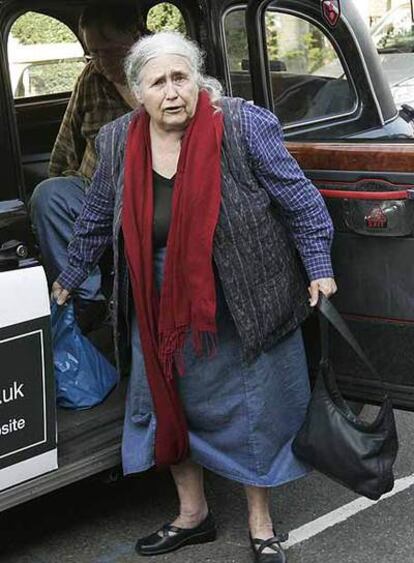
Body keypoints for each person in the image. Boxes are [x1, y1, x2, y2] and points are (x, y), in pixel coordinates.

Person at [52, 31, 337, 563]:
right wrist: (69, 276)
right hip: (158, 301)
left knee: (254, 410)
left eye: (180, 77)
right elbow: (95, 217)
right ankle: (193, 515)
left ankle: (260, 522)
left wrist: (319, 265)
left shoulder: (242, 124)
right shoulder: (118, 139)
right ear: (138, 92)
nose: (171, 92)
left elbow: (298, 196)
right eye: (157, 82)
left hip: (242, 293)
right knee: (169, 402)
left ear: (199, 79)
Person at [30, 1, 145, 332]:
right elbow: (66, 144)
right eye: (93, 52)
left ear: (135, 37)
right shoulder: (91, 77)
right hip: (96, 191)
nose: (101, 61)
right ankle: (86, 301)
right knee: (48, 196)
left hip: (149, 196)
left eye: (110, 51)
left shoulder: (161, 74)